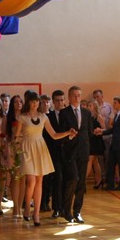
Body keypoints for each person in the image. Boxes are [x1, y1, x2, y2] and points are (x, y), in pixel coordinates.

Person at [13, 91, 73, 225]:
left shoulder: (43, 117)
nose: (35, 104)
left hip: (40, 148)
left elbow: (54, 135)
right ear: (28, 102)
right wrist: (16, 149)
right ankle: (27, 207)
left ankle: (36, 213)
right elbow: (16, 136)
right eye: (32, 101)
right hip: (27, 149)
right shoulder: (22, 117)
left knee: (39, 181)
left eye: (36, 101)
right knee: (31, 181)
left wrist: (68, 133)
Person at [59, 86, 93, 223]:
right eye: (74, 95)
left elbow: (89, 132)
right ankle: (66, 210)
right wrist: (69, 137)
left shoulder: (86, 113)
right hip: (70, 152)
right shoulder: (64, 113)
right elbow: (61, 133)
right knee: (73, 180)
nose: (77, 98)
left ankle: (77, 211)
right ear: (69, 97)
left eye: (79, 95)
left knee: (81, 183)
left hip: (83, 151)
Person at [97, 96, 120, 190]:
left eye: (115, 103)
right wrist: (103, 132)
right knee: (110, 164)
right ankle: (110, 184)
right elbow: (114, 130)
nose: (113, 104)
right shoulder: (117, 115)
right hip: (115, 144)